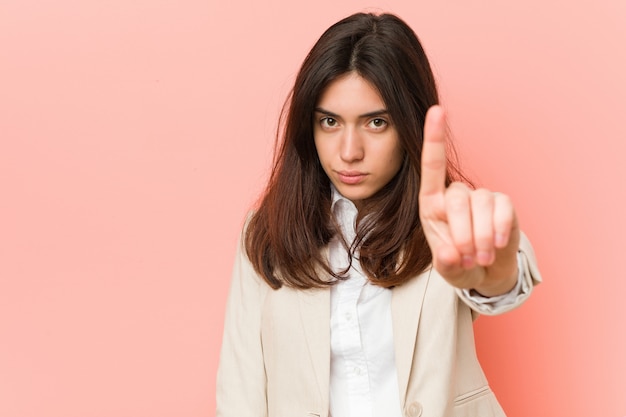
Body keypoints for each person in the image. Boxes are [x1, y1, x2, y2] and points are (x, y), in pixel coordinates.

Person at [216, 11, 541, 417]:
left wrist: (499, 278)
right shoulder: (265, 233)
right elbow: (240, 387)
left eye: (376, 122)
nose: (349, 151)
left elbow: (510, 272)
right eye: (330, 121)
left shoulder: (447, 221)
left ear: (408, 124)